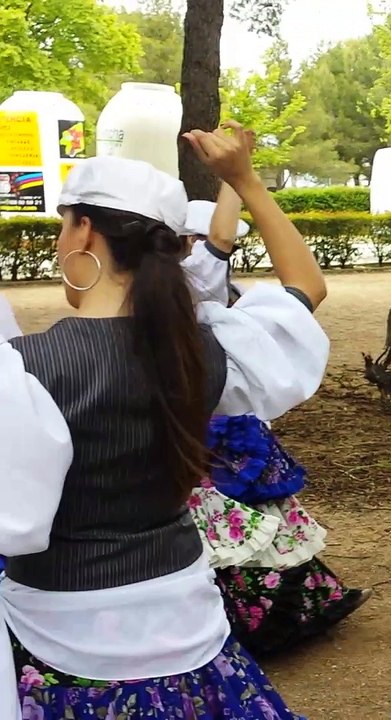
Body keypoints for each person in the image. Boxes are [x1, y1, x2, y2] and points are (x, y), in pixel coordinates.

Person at [0, 123, 327, 717]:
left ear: (85, 231)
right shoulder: (203, 349)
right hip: (188, 617)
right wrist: (244, 179)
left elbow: (13, 522)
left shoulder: (23, 370)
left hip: (61, 634)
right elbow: (304, 288)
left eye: (61, 225)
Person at [182, 184, 373, 657]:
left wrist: (234, 179)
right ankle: (235, 622)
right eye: (187, 239)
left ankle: (289, 607)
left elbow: (224, 244)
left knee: (265, 523)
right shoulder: (183, 289)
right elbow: (223, 240)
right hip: (203, 437)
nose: (196, 247)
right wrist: (235, 178)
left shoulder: (232, 298)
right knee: (220, 533)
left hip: (240, 430)